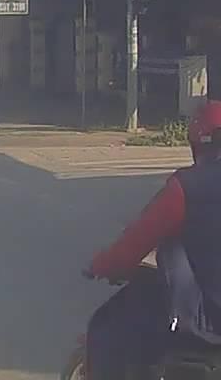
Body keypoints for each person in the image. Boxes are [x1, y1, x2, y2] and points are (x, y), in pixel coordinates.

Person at [84, 100, 221, 378]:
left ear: (199, 141)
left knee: (107, 332)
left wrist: (103, 265)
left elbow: (137, 240)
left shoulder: (186, 187)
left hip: (207, 319)